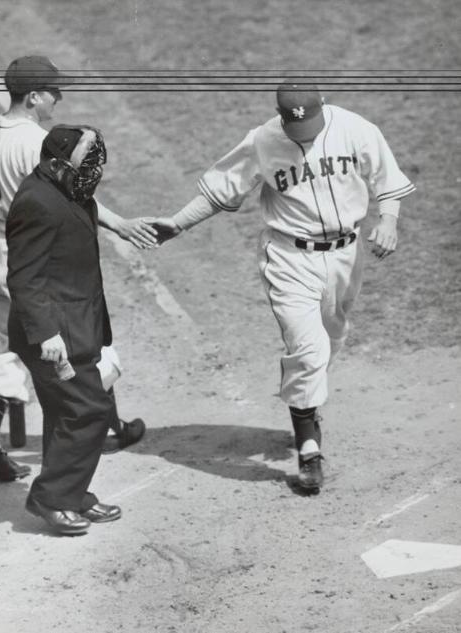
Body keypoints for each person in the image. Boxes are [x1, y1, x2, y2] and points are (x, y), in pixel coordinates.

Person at [151, 81, 416, 492]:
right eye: (296, 130)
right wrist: (179, 221)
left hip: (347, 256)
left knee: (332, 340)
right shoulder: (264, 139)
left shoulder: (355, 128)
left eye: (309, 126)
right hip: (289, 257)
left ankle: (305, 403)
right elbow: (225, 186)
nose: (304, 136)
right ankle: (308, 446)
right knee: (308, 350)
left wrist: (389, 219)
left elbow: (386, 177)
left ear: (322, 106)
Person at [0, 55, 155, 481]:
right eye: (52, 91)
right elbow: (73, 196)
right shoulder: (36, 142)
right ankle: (100, 425)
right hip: (31, 258)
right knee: (85, 347)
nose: (58, 97)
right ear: (33, 96)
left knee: (13, 346)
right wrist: (121, 224)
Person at [6, 123, 126, 534]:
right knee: (89, 409)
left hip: (77, 325)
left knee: (66, 413)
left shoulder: (68, 190)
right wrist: (46, 335)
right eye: (85, 166)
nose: (93, 174)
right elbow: (24, 278)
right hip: (53, 335)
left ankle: (71, 494)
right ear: (57, 164)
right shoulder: (37, 202)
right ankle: (52, 499)